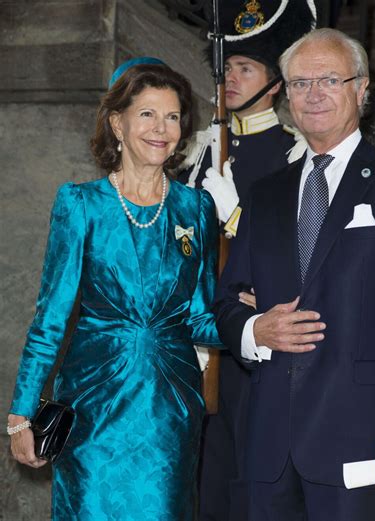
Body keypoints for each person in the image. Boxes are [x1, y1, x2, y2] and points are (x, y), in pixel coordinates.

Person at [214, 28, 375, 521]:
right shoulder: (267, 193)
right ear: (286, 96)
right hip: (267, 446)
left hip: (359, 445)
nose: (313, 93)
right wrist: (256, 329)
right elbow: (229, 299)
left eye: (329, 80)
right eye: (300, 83)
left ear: (361, 90)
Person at [8, 58, 223, 520]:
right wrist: (21, 415)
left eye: (172, 116)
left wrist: (253, 323)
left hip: (169, 412)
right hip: (92, 409)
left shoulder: (197, 207)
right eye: (146, 114)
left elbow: (201, 316)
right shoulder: (80, 204)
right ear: (117, 123)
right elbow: (50, 319)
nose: (161, 129)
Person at [179, 2, 317, 520]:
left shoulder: (294, 152)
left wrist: (234, 214)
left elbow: (301, 249)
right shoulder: (198, 149)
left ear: (275, 83)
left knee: (250, 486)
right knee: (198, 482)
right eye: (228, 67)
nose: (231, 79)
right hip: (196, 341)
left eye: (246, 68)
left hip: (256, 346)